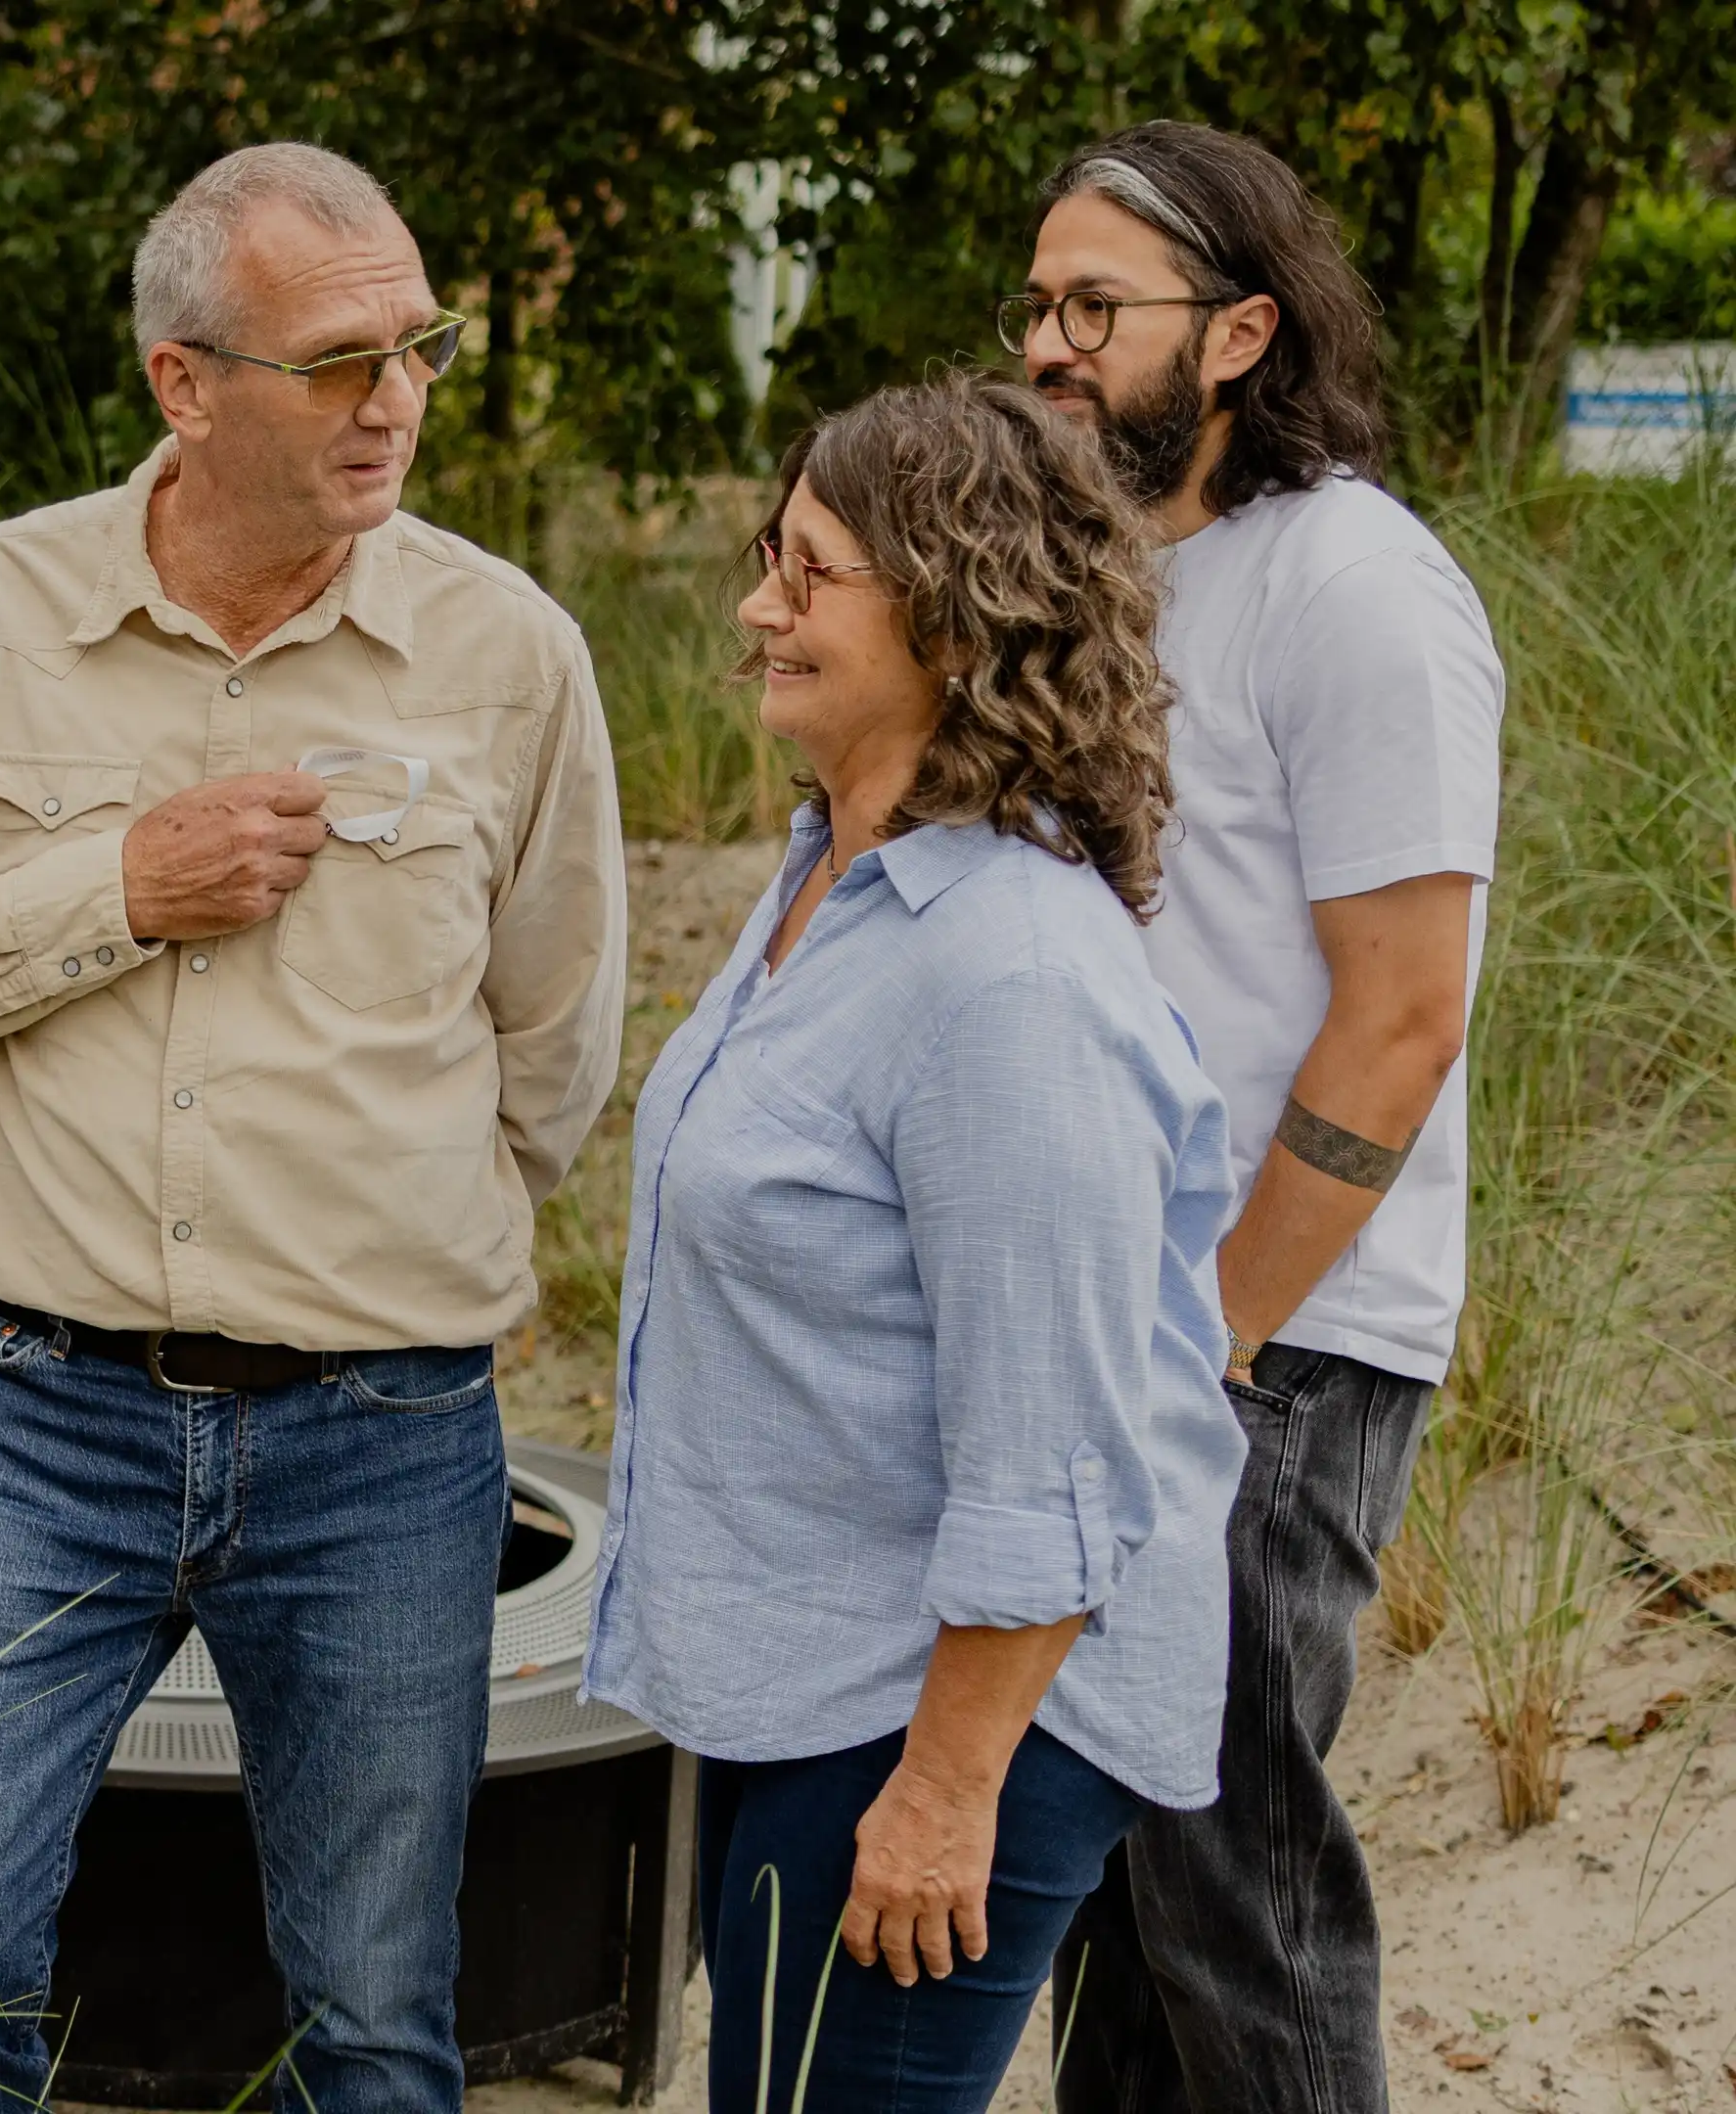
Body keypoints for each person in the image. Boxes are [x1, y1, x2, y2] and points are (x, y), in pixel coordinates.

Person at [0, 143, 626, 2111]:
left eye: (416, 348)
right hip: (33, 1415)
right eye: (338, 362)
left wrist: (377, 1242)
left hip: (387, 1438)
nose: (396, 398)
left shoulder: (512, 659)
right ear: (186, 382)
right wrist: (114, 896)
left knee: (379, 2008)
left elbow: (554, 1052)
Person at [581, 375, 1248, 2113]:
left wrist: (948, 1789)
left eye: (808, 576)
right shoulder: (837, 875)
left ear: (953, 613)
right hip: (816, 1674)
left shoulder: (1009, 976)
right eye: (767, 563)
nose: (755, 610)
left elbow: (1059, 1451)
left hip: (942, 1718)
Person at [1010, 124, 1503, 2114]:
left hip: (1269, 1349)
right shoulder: (1118, 576)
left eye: (1091, 306)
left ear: (1237, 335)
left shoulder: (1359, 589)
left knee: (1238, 1901)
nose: (1046, 341)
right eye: (1035, 302)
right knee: (1114, 1903)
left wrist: (1211, 1328)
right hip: (1120, 1332)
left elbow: (1402, 1018)